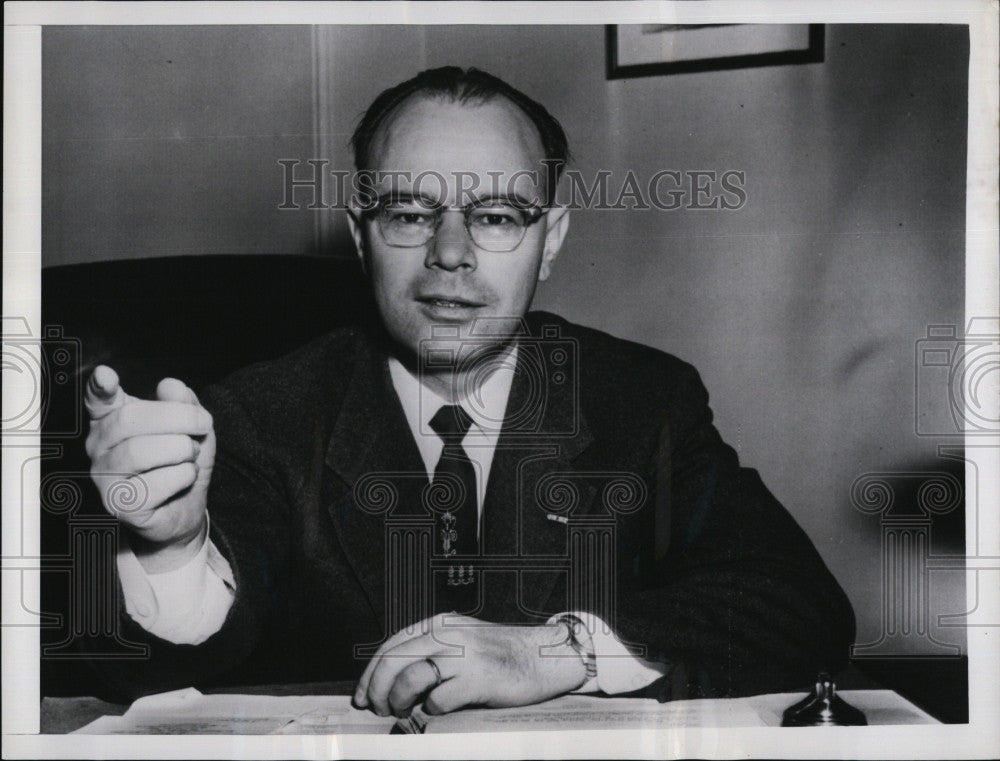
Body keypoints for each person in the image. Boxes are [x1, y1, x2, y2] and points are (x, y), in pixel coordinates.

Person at [83, 66, 855, 716]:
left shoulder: (644, 401)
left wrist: (557, 650)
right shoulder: (260, 413)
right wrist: (172, 547)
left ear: (549, 239)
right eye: (410, 213)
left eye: (494, 216)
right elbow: (155, 670)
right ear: (361, 235)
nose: (450, 254)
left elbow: (799, 608)